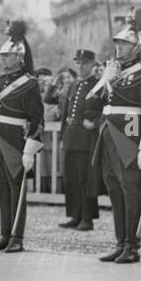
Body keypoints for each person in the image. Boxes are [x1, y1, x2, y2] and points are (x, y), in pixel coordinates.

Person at [85, 16, 141, 264]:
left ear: (136, 47)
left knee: (131, 189)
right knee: (114, 189)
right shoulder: (112, 72)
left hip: (130, 131)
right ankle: (120, 242)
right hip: (108, 132)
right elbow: (89, 106)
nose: (119, 47)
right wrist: (104, 80)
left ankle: (132, 244)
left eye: (124, 44)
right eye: (117, 43)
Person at [0, 21, 44, 252]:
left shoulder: (29, 84)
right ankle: (5, 234)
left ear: (18, 57)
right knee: (2, 189)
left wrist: (30, 148)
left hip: (15, 141)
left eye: (7, 56)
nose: (2, 59)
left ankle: (17, 236)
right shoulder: (0, 81)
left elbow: (37, 119)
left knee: (16, 189)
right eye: (2, 55)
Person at [58, 48, 101, 231]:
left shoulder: (99, 84)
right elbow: (66, 112)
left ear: (92, 65)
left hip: (86, 137)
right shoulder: (73, 85)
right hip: (71, 136)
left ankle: (87, 217)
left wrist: (96, 123)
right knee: (71, 178)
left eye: (84, 63)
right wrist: (62, 136)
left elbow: (106, 110)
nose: (81, 66)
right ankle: (75, 215)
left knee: (85, 178)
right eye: (78, 63)